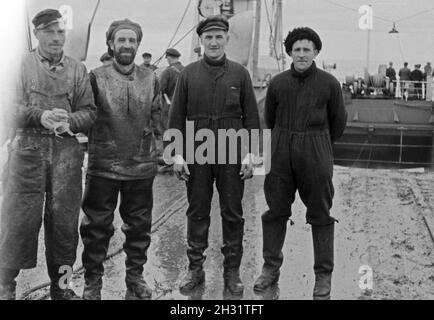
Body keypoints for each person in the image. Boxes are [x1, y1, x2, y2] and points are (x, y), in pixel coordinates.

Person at [0, 9, 96, 300]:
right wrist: (38, 115)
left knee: (65, 225)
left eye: (61, 32)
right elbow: (7, 107)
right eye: (50, 32)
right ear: (37, 34)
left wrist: (70, 121)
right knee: (18, 221)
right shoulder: (19, 65)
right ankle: (5, 286)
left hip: (66, 153)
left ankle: (62, 287)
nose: (57, 37)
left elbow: (90, 112)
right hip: (28, 152)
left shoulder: (78, 69)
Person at [167, 15, 260, 296]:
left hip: (232, 151)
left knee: (233, 213)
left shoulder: (240, 74)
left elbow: (253, 118)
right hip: (198, 151)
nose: (214, 42)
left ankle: (232, 271)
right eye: (209, 37)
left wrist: (251, 155)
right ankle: (195, 269)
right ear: (201, 41)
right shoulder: (188, 74)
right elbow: (176, 116)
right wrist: (176, 155)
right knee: (197, 212)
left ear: (227, 39)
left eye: (219, 36)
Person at [253, 27, 347, 300]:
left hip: (316, 151)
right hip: (281, 150)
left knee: (320, 213)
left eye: (307, 49)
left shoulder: (329, 84)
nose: (302, 54)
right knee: (276, 211)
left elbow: (337, 123)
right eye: (297, 49)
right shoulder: (278, 83)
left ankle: (323, 276)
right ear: (290, 53)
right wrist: (285, 140)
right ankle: (270, 269)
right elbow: (269, 118)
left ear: (316, 52)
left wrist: (316, 145)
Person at [79, 19, 161, 300]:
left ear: (138, 44)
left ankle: (135, 277)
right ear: (111, 44)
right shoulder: (96, 76)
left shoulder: (151, 77)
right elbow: (85, 114)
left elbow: (158, 117)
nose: (127, 45)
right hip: (104, 166)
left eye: (132, 40)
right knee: (96, 227)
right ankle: (93, 281)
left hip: (141, 166)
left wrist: (165, 151)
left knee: (139, 226)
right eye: (121, 40)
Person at [157, 48, 184, 171]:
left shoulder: (168, 72)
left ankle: (168, 161)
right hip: (184, 108)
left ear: (169, 58)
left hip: (170, 107)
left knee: (167, 132)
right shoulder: (186, 70)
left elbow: (159, 89)